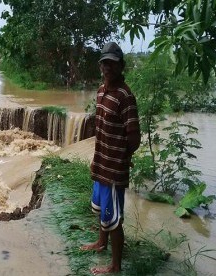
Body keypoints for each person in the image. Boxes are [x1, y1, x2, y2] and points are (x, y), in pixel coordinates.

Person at [81, 42, 141, 275]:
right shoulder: (100, 92)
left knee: (114, 219)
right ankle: (100, 242)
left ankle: (115, 265)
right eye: (104, 62)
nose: (108, 67)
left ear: (121, 66)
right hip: (101, 163)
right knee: (102, 210)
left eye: (112, 63)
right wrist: (98, 159)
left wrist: (122, 158)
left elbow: (134, 137)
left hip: (114, 169)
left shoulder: (125, 96)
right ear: (100, 66)